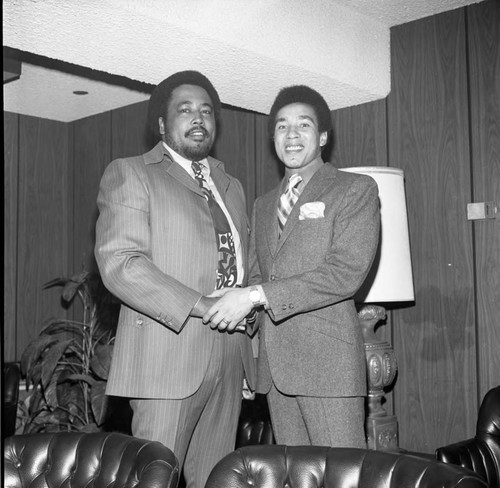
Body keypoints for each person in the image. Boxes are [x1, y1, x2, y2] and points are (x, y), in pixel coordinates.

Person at [94, 70, 255, 488]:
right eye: (185, 110)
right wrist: (202, 305)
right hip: (167, 360)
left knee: (219, 481)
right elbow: (121, 262)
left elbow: (245, 265)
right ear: (163, 125)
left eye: (206, 110)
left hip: (230, 356)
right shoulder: (131, 173)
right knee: (155, 481)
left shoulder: (232, 187)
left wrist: (249, 311)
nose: (198, 117)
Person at [204, 85, 380, 448]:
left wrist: (252, 295)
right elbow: (257, 277)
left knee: (344, 477)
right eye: (282, 127)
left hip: (329, 368)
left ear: (323, 136)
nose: (292, 135)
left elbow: (344, 273)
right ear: (273, 138)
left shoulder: (353, 189)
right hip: (275, 371)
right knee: (297, 477)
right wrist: (241, 319)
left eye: (304, 125)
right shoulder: (264, 204)